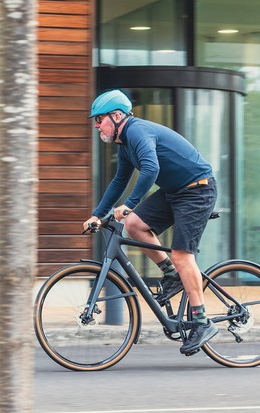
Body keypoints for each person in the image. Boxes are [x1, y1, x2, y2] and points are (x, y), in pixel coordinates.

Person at [82, 89, 218, 355]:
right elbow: (119, 180)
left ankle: (202, 322)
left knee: (182, 254)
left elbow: (151, 168)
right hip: (174, 191)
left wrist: (129, 204)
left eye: (100, 119)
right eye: (95, 121)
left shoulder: (137, 132)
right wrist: (98, 214)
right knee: (134, 225)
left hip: (198, 189)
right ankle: (171, 276)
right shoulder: (125, 145)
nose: (97, 125)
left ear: (117, 116)